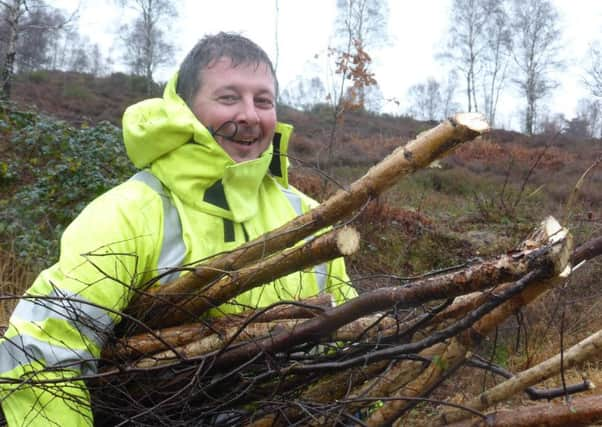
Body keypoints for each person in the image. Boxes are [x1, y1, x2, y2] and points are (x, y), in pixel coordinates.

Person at [0, 32, 357, 426]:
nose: (250, 115)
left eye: (263, 101)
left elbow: (353, 348)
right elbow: (41, 352)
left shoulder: (309, 219)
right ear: (185, 109)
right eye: (228, 97)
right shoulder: (130, 213)